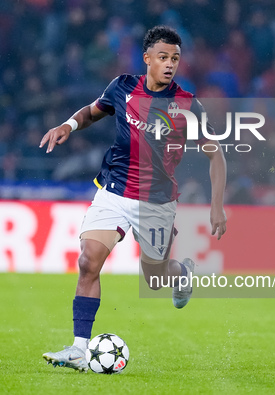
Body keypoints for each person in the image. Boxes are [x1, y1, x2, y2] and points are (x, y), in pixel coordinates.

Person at [40, 26, 227, 372]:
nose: (170, 64)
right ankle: (80, 348)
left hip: (156, 201)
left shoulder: (186, 105)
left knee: (154, 277)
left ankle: (181, 275)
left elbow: (216, 155)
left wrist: (217, 206)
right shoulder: (122, 87)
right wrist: (68, 125)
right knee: (88, 261)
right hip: (112, 190)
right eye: (163, 57)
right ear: (147, 59)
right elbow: (92, 111)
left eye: (175, 58)